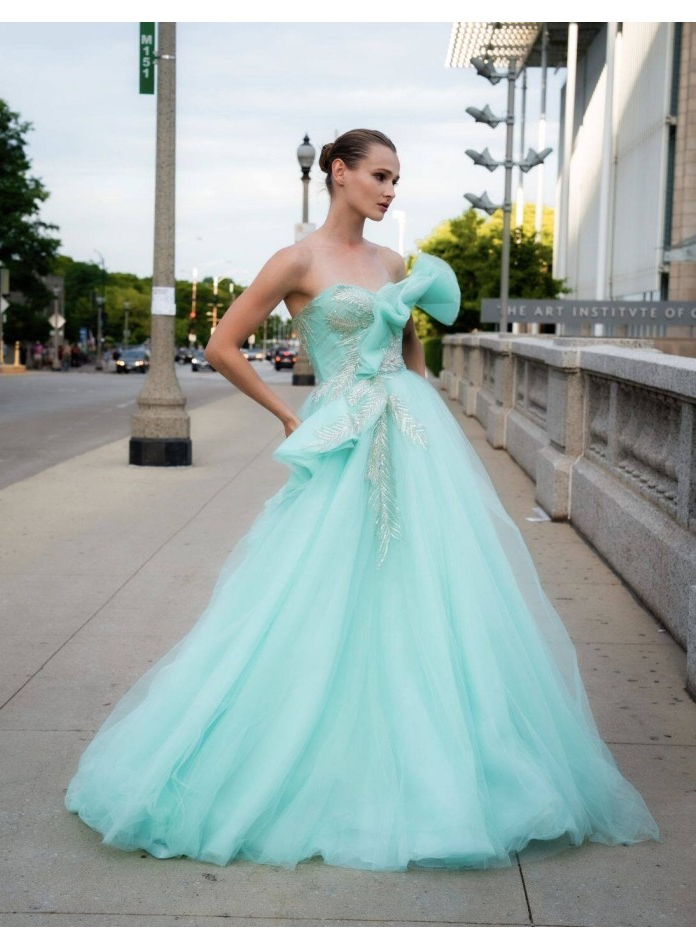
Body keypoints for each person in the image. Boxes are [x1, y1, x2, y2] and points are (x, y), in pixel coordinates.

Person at [65, 128, 660, 871]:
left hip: (414, 441)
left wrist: (426, 398)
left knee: (433, 593)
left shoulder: (393, 262)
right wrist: (288, 414)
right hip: (343, 440)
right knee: (318, 590)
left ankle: (449, 761)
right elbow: (221, 346)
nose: (390, 190)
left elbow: (408, 346)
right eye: (379, 175)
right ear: (338, 174)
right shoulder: (298, 260)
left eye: (397, 179)